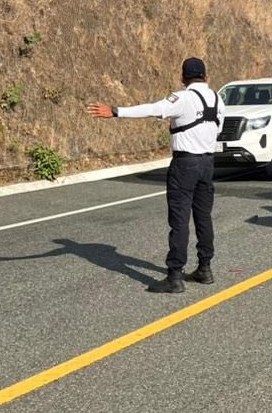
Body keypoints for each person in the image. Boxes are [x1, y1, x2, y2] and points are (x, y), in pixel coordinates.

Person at [86, 57, 226, 293]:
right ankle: (205, 268)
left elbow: (152, 109)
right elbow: (217, 128)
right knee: (204, 217)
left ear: (183, 78)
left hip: (185, 163)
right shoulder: (217, 98)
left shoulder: (182, 98)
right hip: (207, 163)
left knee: (179, 220)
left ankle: (174, 276)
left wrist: (116, 111)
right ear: (206, 76)